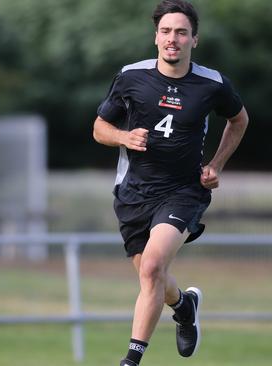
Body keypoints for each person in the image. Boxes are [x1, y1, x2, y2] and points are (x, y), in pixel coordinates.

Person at [92, 1, 248, 365]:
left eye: (181, 32)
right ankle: (184, 305)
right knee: (154, 276)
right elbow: (99, 128)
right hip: (133, 192)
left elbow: (239, 120)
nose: (172, 39)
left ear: (195, 39)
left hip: (184, 191)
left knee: (151, 269)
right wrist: (124, 138)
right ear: (155, 38)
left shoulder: (212, 83)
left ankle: (131, 360)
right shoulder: (131, 76)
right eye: (166, 31)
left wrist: (216, 165)